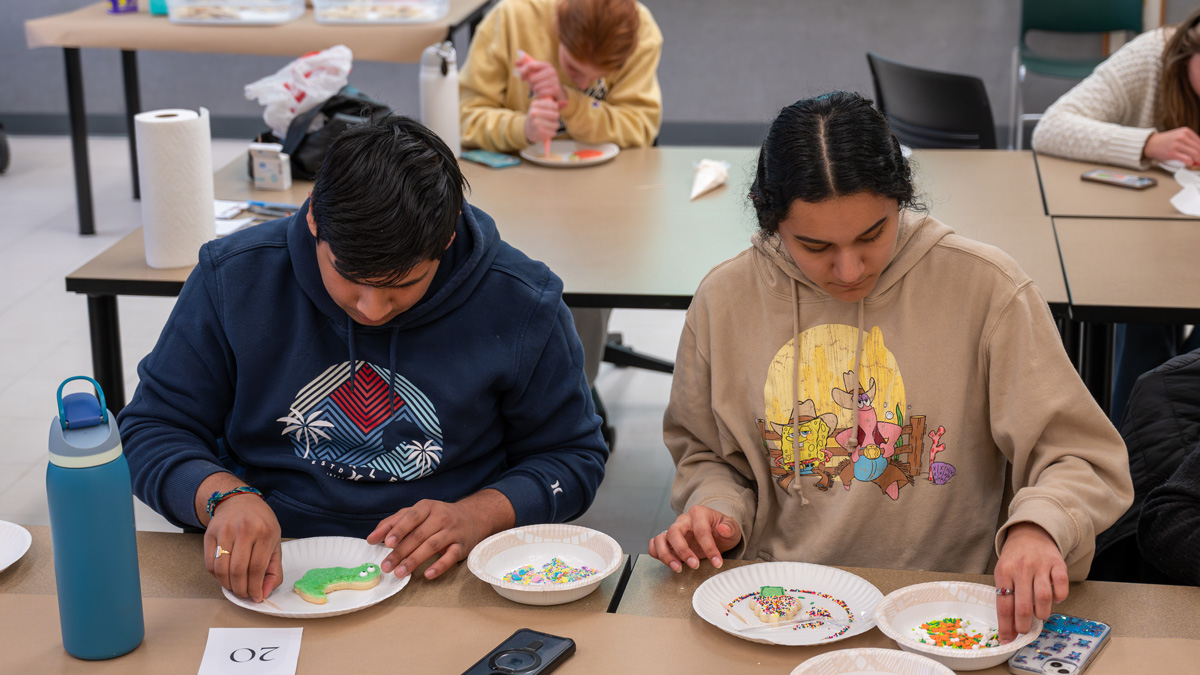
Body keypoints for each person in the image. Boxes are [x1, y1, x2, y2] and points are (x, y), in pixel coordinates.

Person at [648, 92, 1134, 643]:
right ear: (771, 221)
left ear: (902, 199)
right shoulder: (725, 300)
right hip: (783, 609)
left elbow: (1080, 455)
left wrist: (1037, 525)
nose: (850, 269)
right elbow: (707, 453)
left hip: (944, 608)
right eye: (814, 245)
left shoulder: (986, 289)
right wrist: (717, 510)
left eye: (872, 234)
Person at [118, 115, 608, 604]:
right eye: (350, 278)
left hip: (445, 567)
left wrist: (480, 514)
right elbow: (151, 427)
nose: (372, 310)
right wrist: (222, 496)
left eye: (402, 285)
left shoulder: (522, 302)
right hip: (272, 561)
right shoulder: (234, 280)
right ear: (313, 220)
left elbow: (573, 455)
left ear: (446, 241)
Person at [458, 0, 664, 434]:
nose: (587, 81)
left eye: (597, 79)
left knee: (589, 286)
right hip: (516, 193)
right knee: (497, 280)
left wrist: (571, 102)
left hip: (599, 197)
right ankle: (503, 395)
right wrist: (522, 128)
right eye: (574, 66)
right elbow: (462, 118)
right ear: (555, 26)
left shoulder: (641, 29)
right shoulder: (512, 19)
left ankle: (574, 398)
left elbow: (641, 127)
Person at [1030, 8, 1200, 424]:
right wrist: (1148, 144)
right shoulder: (1153, 55)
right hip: (1151, 238)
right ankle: (1135, 445)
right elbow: (1051, 127)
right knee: (1143, 314)